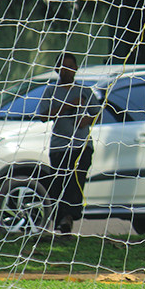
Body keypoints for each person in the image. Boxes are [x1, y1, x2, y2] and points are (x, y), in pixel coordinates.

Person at [38, 52, 99, 234]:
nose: (68, 71)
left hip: (81, 146)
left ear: (76, 68)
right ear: (57, 70)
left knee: (75, 181)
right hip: (59, 146)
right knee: (59, 182)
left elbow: (97, 112)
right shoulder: (51, 91)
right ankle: (61, 220)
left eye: (71, 66)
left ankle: (69, 217)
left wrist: (87, 120)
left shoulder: (85, 91)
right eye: (64, 67)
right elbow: (43, 115)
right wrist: (68, 105)